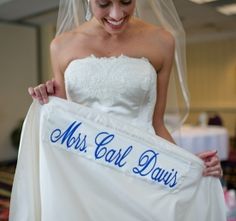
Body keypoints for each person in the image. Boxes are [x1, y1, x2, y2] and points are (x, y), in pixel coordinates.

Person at [28, 0, 222, 177]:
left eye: (126, 2)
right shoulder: (61, 46)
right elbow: (63, 124)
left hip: (141, 167)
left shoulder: (162, 41)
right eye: (104, 3)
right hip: (83, 172)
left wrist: (191, 166)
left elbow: (157, 124)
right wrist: (46, 98)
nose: (116, 15)